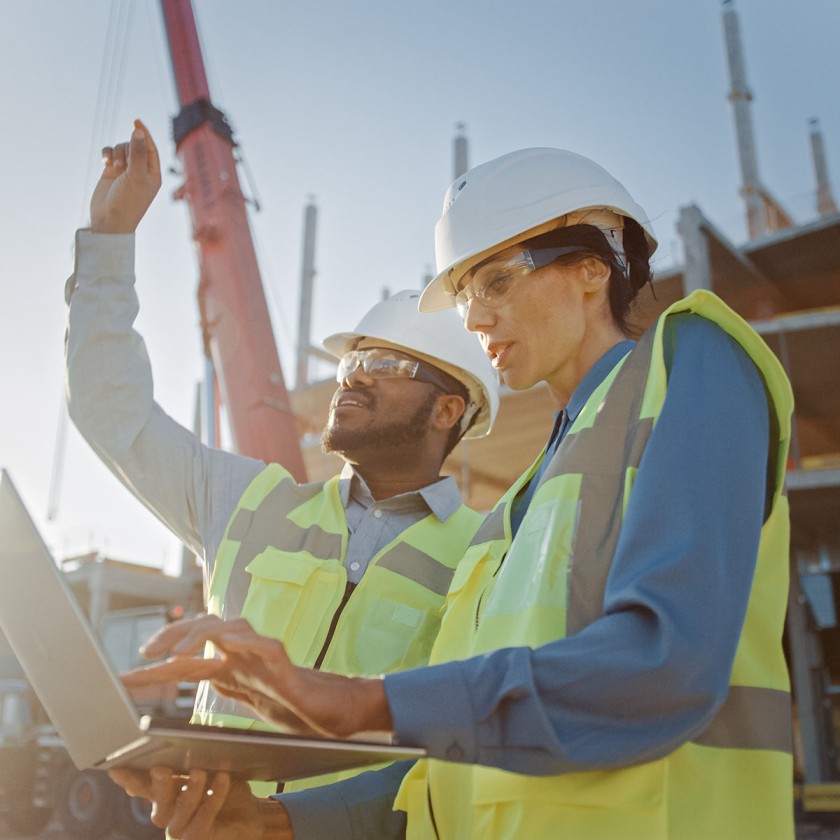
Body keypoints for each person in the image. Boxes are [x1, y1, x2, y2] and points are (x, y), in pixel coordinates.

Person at [112, 147, 795, 840]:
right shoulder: (508, 521)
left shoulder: (690, 363)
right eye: (467, 297)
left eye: (496, 281)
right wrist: (275, 821)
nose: (474, 319)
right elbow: (451, 770)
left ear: (594, 267)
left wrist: (358, 702)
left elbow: (663, 668)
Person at [64, 120, 499, 798]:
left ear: (449, 410)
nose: (352, 377)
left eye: (383, 363)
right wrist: (110, 242)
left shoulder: (493, 553)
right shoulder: (249, 503)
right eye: (351, 361)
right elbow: (108, 409)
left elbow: (473, 745)